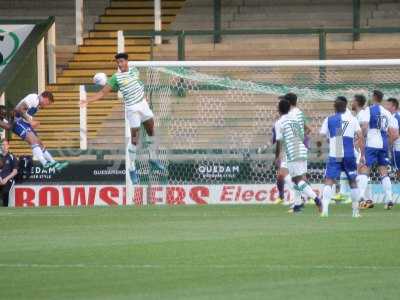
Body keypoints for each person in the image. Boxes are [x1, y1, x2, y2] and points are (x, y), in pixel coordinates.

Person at [80, 52, 165, 184]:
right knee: (135, 139)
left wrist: (141, 92)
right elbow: (103, 92)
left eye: (122, 61)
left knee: (151, 131)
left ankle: (153, 159)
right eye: (118, 62)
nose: (120, 64)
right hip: (132, 109)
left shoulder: (135, 70)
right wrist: (88, 101)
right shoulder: (116, 77)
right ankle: (131, 168)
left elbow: (137, 84)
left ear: (126, 62)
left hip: (143, 105)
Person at [319, 96, 364, 217]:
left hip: (336, 151)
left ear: (334, 107)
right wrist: (362, 153)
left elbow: (322, 136)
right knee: (353, 181)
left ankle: (325, 211)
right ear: (345, 107)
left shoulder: (330, 119)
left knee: (329, 180)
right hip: (349, 152)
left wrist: (328, 142)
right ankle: (355, 212)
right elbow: (360, 135)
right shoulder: (352, 119)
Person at [274, 99, 321, 213]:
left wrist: (277, 157)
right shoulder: (294, 120)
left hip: (292, 151)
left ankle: (316, 200)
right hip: (302, 149)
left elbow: (279, 142)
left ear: (279, 110)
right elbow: (302, 135)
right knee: (298, 178)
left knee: (295, 179)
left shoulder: (279, 122)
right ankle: (298, 205)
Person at [357, 90, 398, 210]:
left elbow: (364, 127)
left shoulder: (368, 110)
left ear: (374, 97)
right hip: (383, 143)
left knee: (365, 169)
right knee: (384, 172)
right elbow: (394, 132)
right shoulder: (387, 112)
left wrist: (361, 139)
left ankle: (360, 198)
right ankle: (389, 199)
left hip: (371, 142)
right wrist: (387, 143)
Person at [12, 91, 68, 171]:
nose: (46, 106)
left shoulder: (37, 104)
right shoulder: (34, 98)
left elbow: (27, 114)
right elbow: (20, 109)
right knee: (33, 141)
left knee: (39, 143)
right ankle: (44, 162)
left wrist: (32, 121)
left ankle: (54, 163)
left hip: (24, 123)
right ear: (45, 98)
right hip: (17, 121)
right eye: (48, 103)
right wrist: (31, 121)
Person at [384, 97, 400, 177]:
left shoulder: (395, 118)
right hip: (396, 148)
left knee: (398, 170)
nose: (386, 107)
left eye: (388, 105)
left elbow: (395, 135)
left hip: (397, 148)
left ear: (393, 107)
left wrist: (386, 145)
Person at [0, 141, 18, 207]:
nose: (4, 146)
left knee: (5, 192)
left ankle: (5, 207)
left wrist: (6, 179)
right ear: (0, 146)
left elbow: (15, 171)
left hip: (8, 180)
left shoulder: (12, 157)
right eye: (2, 145)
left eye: (6, 145)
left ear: (8, 146)